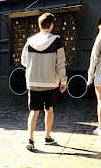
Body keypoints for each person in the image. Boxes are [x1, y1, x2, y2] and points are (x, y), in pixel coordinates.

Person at [21, 12, 67, 151]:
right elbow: (60, 63)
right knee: (49, 110)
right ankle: (47, 136)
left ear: (39, 25)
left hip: (33, 81)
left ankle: (30, 138)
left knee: (33, 111)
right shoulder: (57, 41)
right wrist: (63, 80)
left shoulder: (30, 41)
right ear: (51, 25)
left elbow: (23, 61)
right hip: (51, 82)